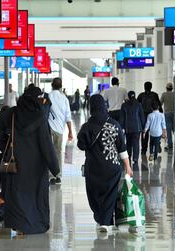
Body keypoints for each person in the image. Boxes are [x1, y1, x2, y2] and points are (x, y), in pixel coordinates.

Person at [0, 86, 60, 234]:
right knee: (35, 195)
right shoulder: (41, 118)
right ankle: (36, 225)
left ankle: (17, 225)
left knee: (16, 194)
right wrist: (55, 167)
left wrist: (5, 145)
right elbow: (46, 143)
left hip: (16, 162)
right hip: (36, 165)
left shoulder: (12, 114)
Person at [77, 94, 133, 233]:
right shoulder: (114, 124)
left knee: (94, 194)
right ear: (104, 106)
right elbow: (122, 148)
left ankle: (103, 221)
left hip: (93, 167)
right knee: (110, 194)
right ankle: (105, 220)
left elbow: (81, 145)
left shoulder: (87, 126)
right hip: (112, 166)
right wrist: (128, 166)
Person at [48, 77, 73, 185]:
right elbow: (68, 117)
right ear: (61, 86)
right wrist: (70, 131)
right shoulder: (64, 99)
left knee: (48, 152)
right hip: (59, 130)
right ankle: (58, 175)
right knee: (58, 152)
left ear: (52, 85)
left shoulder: (48, 96)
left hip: (48, 129)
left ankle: (50, 175)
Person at [120, 91, 145, 168]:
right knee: (136, 143)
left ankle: (129, 156)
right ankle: (135, 159)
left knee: (128, 143)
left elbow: (122, 118)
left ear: (128, 96)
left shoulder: (124, 105)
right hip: (137, 128)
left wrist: (121, 127)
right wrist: (143, 127)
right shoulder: (138, 104)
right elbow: (142, 117)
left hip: (128, 128)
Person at [137, 81, 162, 154]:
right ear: (151, 87)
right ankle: (156, 145)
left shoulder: (141, 95)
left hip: (144, 117)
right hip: (153, 116)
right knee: (155, 132)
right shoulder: (155, 95)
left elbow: (137, 106)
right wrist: (161, 114)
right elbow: (159, 106)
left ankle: (144, 150)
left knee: (144, 133)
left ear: (144, 87)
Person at [160, 83, 175, 150]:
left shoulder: (164, 94)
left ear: (166, 88)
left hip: (167, 114)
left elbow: (160, 103)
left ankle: (170, 144)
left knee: (168, 130)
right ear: (172, 88)